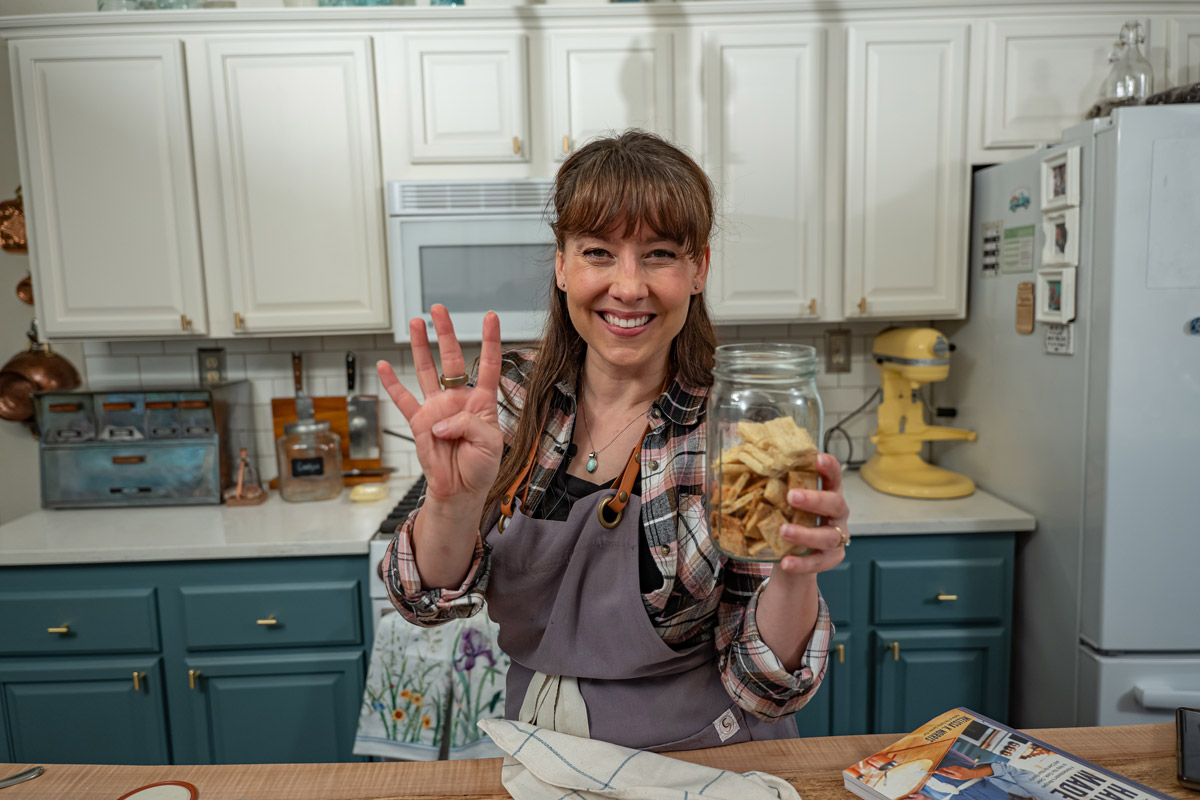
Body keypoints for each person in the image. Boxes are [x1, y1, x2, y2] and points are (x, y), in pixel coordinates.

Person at [377, 129, 850, 752]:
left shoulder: (738, 432)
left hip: (705, 760)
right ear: (562, 266)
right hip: (542, 754)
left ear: (699, 269)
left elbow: (764, 685)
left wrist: (794, 574)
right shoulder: (508, 401)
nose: (628, 286)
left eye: (659, 254)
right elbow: (423, 601)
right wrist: (452, 502)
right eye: (598, 252)